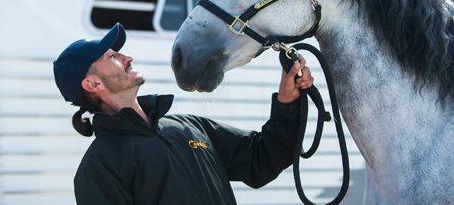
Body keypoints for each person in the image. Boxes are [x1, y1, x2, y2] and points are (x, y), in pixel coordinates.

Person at [53, 22, 314, 205]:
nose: (127, 57)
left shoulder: (187, 126)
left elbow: (261, 160)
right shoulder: (99, 166)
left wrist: (286, 102)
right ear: (93, 84)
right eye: (112, 57)